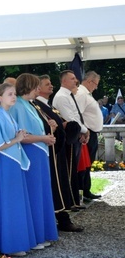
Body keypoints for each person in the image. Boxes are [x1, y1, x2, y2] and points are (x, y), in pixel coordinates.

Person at [0, 83, 36, 256]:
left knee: (14, 201)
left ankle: (14, 242)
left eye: (14, 94)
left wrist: (18, 135)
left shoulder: (6, 115)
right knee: (9, 201)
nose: (14, 97)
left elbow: (9, 138)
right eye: (10, 94)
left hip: (12, 163)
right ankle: (10, 245)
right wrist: (17, 139)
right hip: (5, 163)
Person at [10, 73, 58, 248]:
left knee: (41, 193)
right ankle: (35, 236)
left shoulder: (30, 105)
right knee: (34, 195)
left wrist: (47, 133)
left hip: (38, 153)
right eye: (36, 86)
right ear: (29, 86)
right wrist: (44, 138)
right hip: (30, 154)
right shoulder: (19, 106)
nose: (39, 89)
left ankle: (41, 233)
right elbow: (22, 136)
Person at [35, 74, 83, 232]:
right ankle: (61, 219)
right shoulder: (36, 106)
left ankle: (63, 217)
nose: (51, 86)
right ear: (38, 88)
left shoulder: (47, 105)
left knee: (61, 183)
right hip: (49, 150)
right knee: (55, 185)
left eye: (51, 83)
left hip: (58, 149)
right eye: (47, 84)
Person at [52, 70, 90, 209]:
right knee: (69, 169)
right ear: (64, 81)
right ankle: (69, 201)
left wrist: (83, 130)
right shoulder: (62, 96)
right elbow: (70, 118)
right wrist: (85, 131)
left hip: (74, 134)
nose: (76, 81)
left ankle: (73, 200)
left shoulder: (68, 95)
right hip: (68, 137)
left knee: (73, 169)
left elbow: (76, 116)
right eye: (72, 78)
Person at [76, 71, 103, 201]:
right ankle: (83, 191)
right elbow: (78, 114)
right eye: (95, 84)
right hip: (87, 132)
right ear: (89, 81)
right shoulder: (81, 94)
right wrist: (83, 130)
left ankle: (86, 189)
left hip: (91, 132)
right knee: (85, 164)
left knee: (88, 163)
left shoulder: (86, 94)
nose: (96, 87)